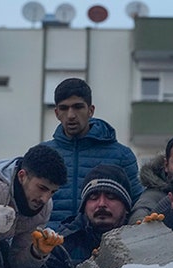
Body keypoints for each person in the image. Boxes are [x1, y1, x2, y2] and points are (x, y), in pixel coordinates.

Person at [41, 78, 141, 225]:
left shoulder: (122, 156)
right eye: (64, 108)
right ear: (56, 113)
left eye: (78, 107)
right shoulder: (43, 155)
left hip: (105, 245)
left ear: (91, 110)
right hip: (51, 245)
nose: (71, 115)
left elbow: (137, 205)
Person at [34, 163, 132, 268]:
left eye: (111, 197)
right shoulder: (63, 243)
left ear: (126, 206)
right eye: (93, 197)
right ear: (84, 206)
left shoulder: (138, 239)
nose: (101, 203)